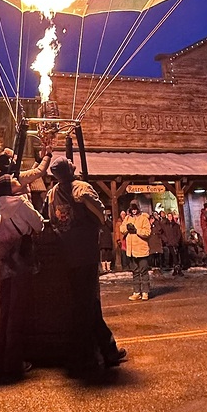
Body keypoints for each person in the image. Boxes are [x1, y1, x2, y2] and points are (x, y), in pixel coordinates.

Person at [47, 158, 126, 372]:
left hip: (66, 253)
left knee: (81, 302)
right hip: (85, 253)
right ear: (70, 170)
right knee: (87, 304)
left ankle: (101, 349)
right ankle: (92, 353)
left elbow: (51, 219)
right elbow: (100, 215)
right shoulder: (82, 189)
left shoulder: (52, 193)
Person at [0, 172, 45, 380]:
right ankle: (14, 362)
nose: (18, 182)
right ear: (9, 188)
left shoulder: (1, 208)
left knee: (6, 311)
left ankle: (1, 356)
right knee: (17, 312)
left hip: (4, 265)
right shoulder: (20, 203)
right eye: (14, 182)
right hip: (20, 263)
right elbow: (39, 224)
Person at [121, 201, 153, 298]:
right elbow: (121, 229)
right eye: (132, 209)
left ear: (138, 209)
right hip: (131, 250)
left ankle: (145, 292)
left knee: (143, 271)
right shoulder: (127, 218)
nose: (134, 211)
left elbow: (147, 232)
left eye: (135, 209)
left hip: (141, 249)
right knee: (135, 272)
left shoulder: (144, 219)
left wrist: (136, 230)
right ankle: (136, 292)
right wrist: (127, 228)